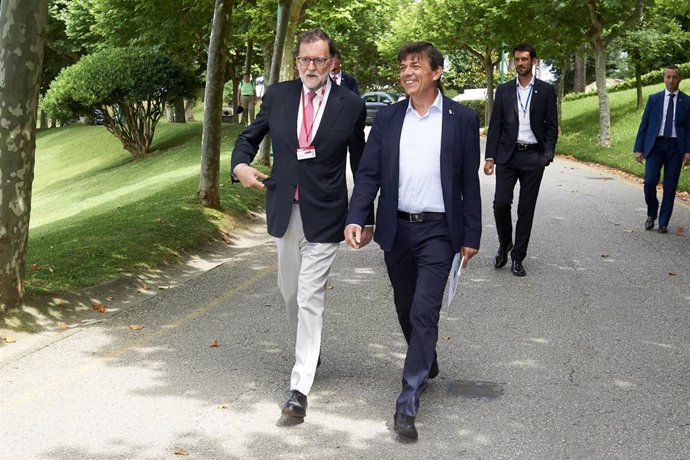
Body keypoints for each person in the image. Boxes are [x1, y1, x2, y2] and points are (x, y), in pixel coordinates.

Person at [344, 42, 481, 440]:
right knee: (406, 306)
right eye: (403, 66)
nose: (406, 72)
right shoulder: (387, 119)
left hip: (440, 231)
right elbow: (368, 174)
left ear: (436, 72)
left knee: (424, 311)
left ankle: (408, 401)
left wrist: (471, 234)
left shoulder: (462, 119)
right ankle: (428, 358)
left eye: (415, 65)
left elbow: (468, 182)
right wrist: (358, 218)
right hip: (396, 229)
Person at [231, 28, 369, 420]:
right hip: (283, 209)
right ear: (296, 62)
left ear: (332, 62)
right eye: (305, 60)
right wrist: (240, 165)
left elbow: (361, 165)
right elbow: (250, 136)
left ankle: (299, 387)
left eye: (319, 60)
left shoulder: (350, 104)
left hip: (326, 213)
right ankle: (311, 351)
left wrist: (363, 216)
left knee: (310, 296)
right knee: (290, 292)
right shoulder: (278, 95)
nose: (312, 67)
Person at [484, 43, 558, 277]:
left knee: (526, 209)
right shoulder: (504, 90)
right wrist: (490, 156)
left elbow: (551, 125)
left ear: (534, 61)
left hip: (534, 156)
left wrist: (547, 153)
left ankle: (517, 256)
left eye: (524, 59)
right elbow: (495, 124)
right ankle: (505, 243)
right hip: (508, 155)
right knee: (501, 204)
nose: (520, 63)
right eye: (516, 59)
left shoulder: (546, 91)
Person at [633, 65, 690, 233]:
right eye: (668, 77)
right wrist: (639, 148)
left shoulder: (687, 102)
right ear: (664, 78)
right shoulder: (654, 99)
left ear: (680, 79)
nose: (671, 80)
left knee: (670, 185)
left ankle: (663, 222)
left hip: (675, 147)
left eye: (674, 77)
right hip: (655, 146)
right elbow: (644, 125)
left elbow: (689, 129)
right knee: (649, 181)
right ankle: (652, 212)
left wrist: (688, 151)